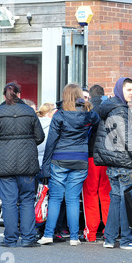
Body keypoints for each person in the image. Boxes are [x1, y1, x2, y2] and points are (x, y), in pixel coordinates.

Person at [37, 83, 100, 246]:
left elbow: (51, 142)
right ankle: (73, 237)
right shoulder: (88, 115)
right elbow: (97, 123)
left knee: (56, 198)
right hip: (80, 159)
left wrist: (45, 166)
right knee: (72, 199)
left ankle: (48, 234)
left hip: (60, 159)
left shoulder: (60, 115)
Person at [0, 82, 45, 247]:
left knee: (9, 201)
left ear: (4, 96)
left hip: (4, 164)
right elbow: (39, 137)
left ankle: (10, 239)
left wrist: (3, 144)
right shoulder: (29, 111)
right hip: (27, 162)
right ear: (19, 94)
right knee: (26, 199)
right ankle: (28, 238)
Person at [93, 77, 132, 250]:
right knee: (125, 202)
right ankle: (126, 240)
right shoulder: (120, 109)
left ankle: (109, 239)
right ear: (120, 90)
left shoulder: (110, 107)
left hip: (112, 163)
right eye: (129, 90)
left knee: (115, 201)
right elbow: (127, 138)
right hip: (124, 163)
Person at [81, 85, 111, 243]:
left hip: (91, 156)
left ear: (90, 96)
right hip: (108, 158)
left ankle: (91, 233)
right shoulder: (111, 108)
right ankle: (108, 231)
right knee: (106, 195)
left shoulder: (89, 109)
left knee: (90, 194)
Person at [36, 102, 56, 167]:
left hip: (33, 162)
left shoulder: (34, 123)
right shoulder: (53, 126)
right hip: (48, 162)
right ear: (50, 113)